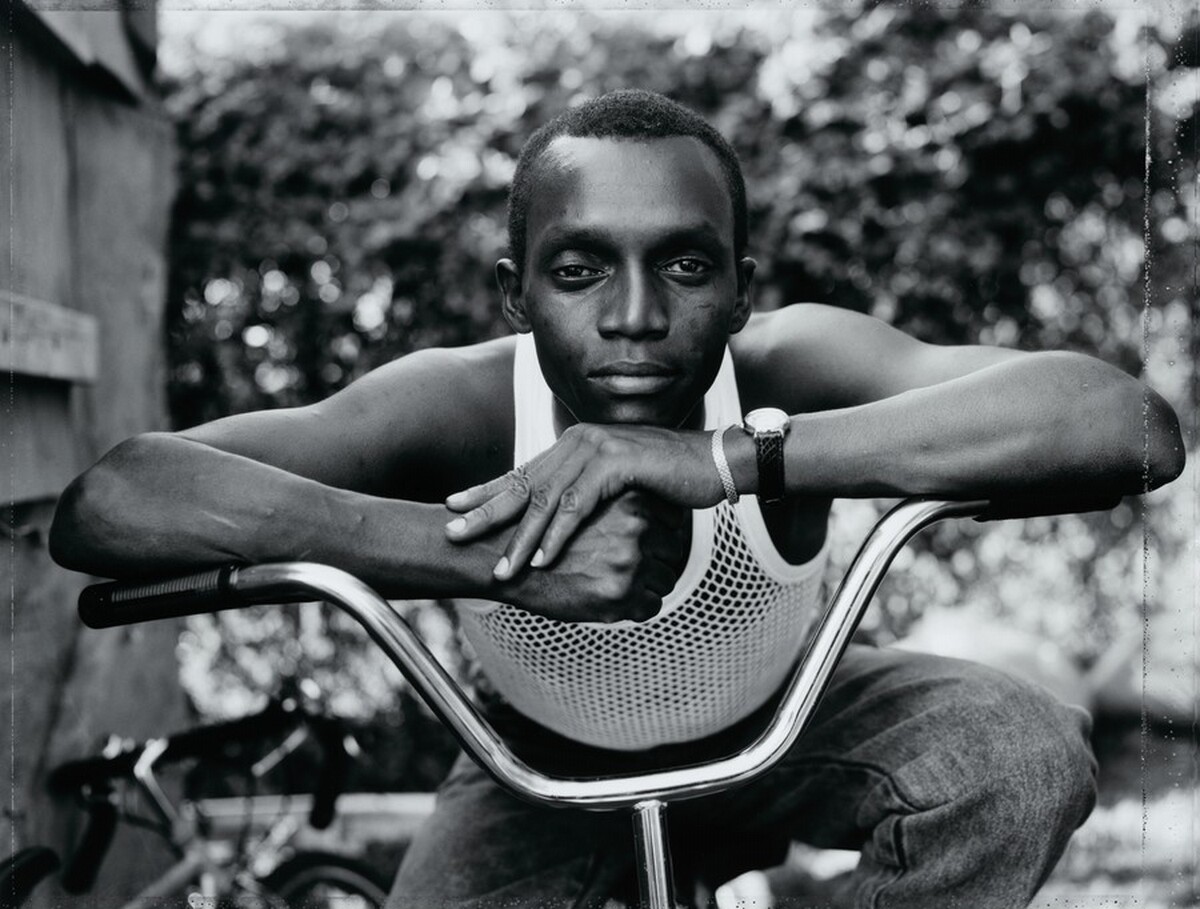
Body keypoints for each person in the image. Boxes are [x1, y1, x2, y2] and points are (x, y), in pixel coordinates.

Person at [51, 90, 1184, 908]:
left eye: (688, 268)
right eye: (580, 269)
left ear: (742, 287)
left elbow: (1125, 423)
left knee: (1019, 755)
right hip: (533, 773)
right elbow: (112, 499)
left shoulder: (787, 370)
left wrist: (729, 461)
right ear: (517, 291)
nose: (635, 315)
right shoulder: (459, 407)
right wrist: (472, 553)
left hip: (796, 724)